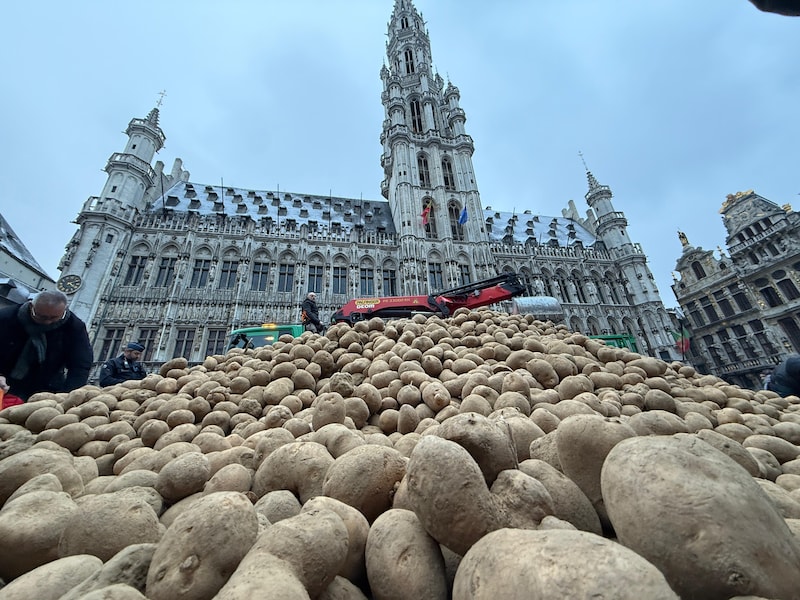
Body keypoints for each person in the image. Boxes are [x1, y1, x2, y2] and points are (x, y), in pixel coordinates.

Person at [0, 290, 93, 401]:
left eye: (54, 318)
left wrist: (69, 395)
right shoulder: (6, 318)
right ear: (31, 306)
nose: (48, 322)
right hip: (6, 381)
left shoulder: (74, 327)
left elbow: (80, 364)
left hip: (48, 387)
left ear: (64, 311)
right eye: (42, 317)